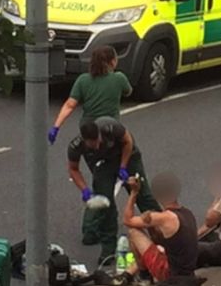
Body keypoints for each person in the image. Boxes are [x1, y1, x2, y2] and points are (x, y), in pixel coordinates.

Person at [49, 46, 132, 247]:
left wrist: (56, 126)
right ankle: (149, 221)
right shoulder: (119, 78)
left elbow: (69, 105)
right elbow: (128, 92)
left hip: (88, 140)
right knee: (128, 180)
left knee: (100, 180)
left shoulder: (83, 81)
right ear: (112, 61)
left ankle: (90, 230)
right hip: (111, 137)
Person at [67, 117, 160, 264]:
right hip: (104, 164)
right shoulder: (76, 146)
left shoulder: (110, 127)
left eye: (98, 142)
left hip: (126, 155)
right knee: (105, 205)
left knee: (143, 196)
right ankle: (108, 250)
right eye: (92, 144)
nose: (97, 146)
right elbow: (73, 169)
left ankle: (163, 234)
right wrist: (84, 190)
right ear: (85, 141)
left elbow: (128, 141)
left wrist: (123, 166)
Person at [113, 173, 200, 286]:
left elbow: (128, 220)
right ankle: (138, 273)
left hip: (170, 273)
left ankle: (144, 276)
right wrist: (152, 228)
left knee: (133, 232)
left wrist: (134, 192)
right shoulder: (187, 213)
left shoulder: (164, 217)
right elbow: (170, 241)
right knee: (156, 243)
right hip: (188, 271)